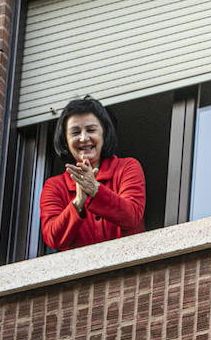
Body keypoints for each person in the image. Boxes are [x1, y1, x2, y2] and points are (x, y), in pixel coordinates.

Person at [39, 97, 146, 251]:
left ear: (104, 133)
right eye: (75, 132)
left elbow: (132, 216)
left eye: (91, 130)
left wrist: (95, 190)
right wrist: (78, 202)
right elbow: (53, 238)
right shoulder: (54, 186)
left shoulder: (127, 167)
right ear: (65, 140)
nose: (83, 138)